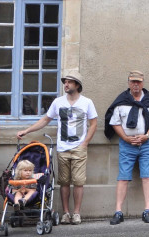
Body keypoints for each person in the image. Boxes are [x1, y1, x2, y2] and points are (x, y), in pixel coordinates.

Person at [16, 70, 97, 225]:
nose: (65, 85)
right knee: (64, 181)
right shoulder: (58, 102)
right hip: (63, 148)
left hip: (79, 147)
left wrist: (85, 142)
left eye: (69, 82)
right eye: (65, 82)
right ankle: (66, 213)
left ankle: (77, 213)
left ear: (77, 85)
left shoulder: (87, 102)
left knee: (79, 182)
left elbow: (94, 124)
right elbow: (46, 119)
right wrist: (26, 131)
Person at [104, 71, 149, 225]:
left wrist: (146, 136)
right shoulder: (121, 101)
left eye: (138, 82)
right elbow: (114, 123)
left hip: (147, 144)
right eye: (133, 81)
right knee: (123, 177)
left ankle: (147, 211)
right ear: (128, 83)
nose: (136, 84)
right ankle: (118, 212)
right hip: (127, 145)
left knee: (147, 176)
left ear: (143, 83)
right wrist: (126, 137)